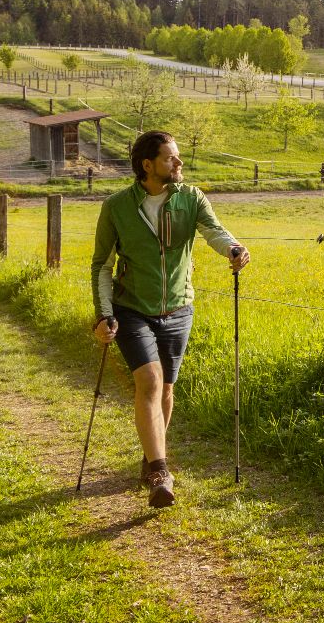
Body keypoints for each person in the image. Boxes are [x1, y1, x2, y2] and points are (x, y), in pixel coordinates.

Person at [89, 130, 249, 507]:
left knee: (165, 390)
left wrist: (234, 248)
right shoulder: (117, 207)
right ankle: (161, 472)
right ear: (148, 165)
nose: (179, 163)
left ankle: (150, 458)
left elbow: (214, 232)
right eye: (170, 158)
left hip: (178, 308)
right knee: (149, 380)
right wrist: (104, 314)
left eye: (177, 157)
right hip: (132, 309)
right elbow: (102, 266)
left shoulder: (191, 198)